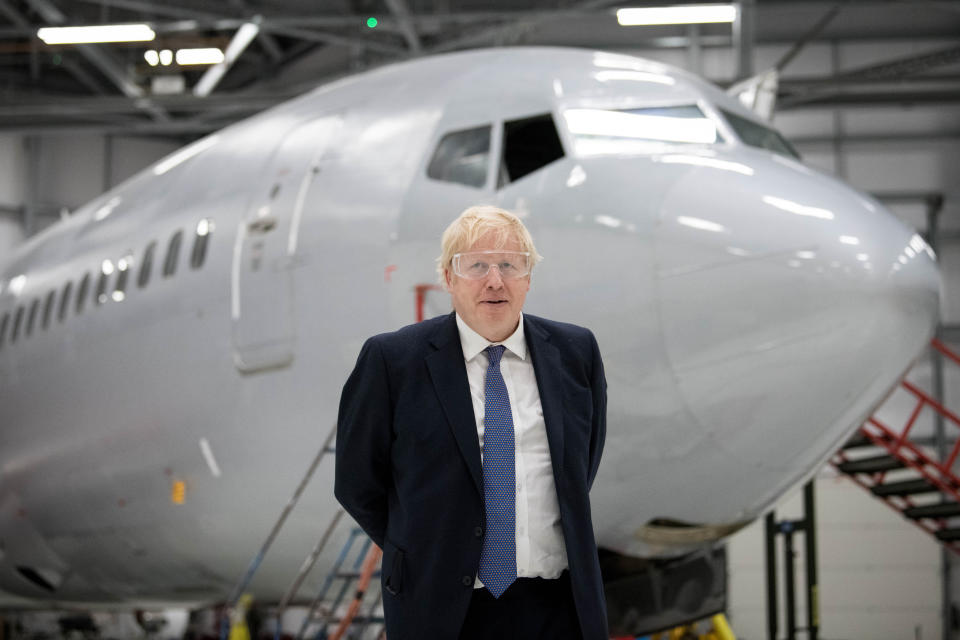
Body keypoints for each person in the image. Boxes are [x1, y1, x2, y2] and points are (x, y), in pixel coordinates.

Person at [334, 205, 608, 640]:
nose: (495, 280)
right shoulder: (393, 362)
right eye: (476, 265)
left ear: (528, 278)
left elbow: (580, 466)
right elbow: (356, 482)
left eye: (509, 265)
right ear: (448, 278)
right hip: (443, 611)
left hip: (558, 608)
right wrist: (425, 550)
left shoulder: (576, 352)